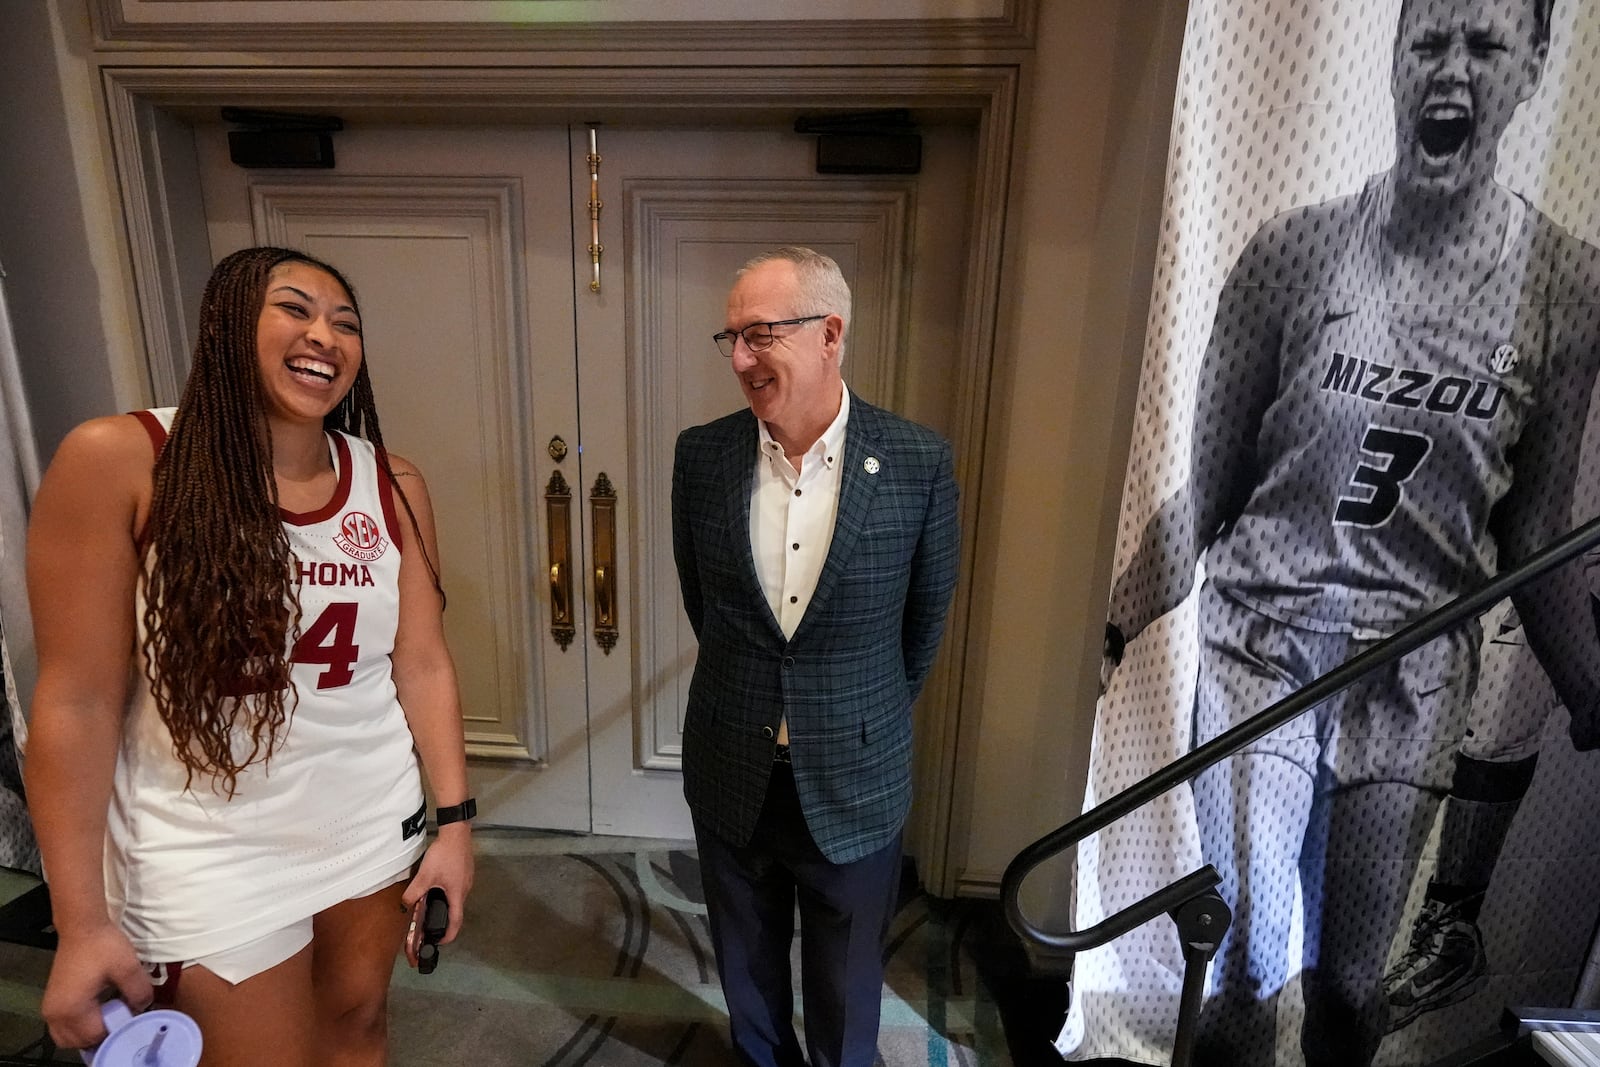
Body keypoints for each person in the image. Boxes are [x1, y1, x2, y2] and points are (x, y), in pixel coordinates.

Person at [1099, 0, 1600, 1063]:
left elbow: (1535, 532)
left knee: (1354, 984)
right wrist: (1108, 630)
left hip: (1414, 672)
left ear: (1534, 66)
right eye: (1427, 42)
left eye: (1484, 45)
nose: (1449, 72)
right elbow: (1206, 491)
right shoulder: (1293, 254)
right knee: (1245, 961)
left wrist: (1594, 684)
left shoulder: (1564, 286)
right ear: (1391, 59)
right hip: (1262, 651)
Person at [23, 246, 475, 1065]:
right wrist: (80, 918)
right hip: (206, 847)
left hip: (368, 824)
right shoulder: (119, 459)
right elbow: (75, 702)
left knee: (357, 1034)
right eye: (295, 308)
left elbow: (423, 662)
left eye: (346, 323)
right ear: (227, 325)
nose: (324, 335)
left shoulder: (392, 481)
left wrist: (454, 823)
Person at [671, 246, 960, 1067]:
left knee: (845, 978)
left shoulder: (917, 463)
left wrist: (854, 714)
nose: (739, 358)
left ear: (829, 335)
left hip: (856, 769)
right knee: (746, 965)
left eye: (759, 334)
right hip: (732, 758)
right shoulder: (702, 457)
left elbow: (923, 622)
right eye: (729, 337)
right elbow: (708, 605)